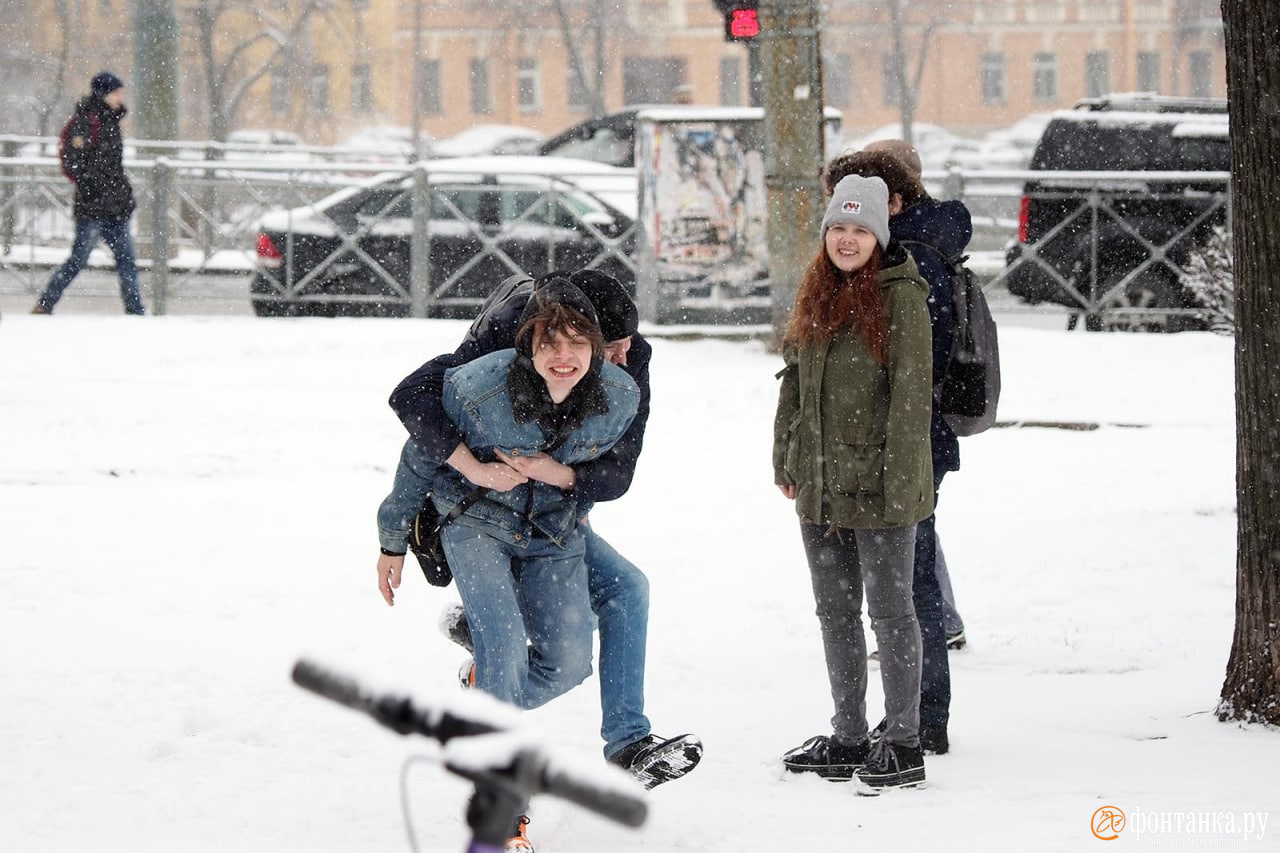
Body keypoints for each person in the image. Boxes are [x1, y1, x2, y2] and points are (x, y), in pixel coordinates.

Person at [385, 269, 703, 789]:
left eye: (624, 348)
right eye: (612, 349)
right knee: (505, 649)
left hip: (552, 518)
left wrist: (562, 474)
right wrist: (470, 472)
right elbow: (420, 406)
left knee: (624, 592)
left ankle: (627, 743)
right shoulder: (509, 337)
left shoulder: (628, 361)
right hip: (480, 513)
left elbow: (619, 470)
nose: (622, 362)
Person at [774, 175, 935, 791]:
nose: (847, 239)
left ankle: (903, 742)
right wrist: (785, 454)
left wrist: (894, 484)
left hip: (882, 485)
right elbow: (793, 381)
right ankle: (848, 737)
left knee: (892, 614)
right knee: (834, 612)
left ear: (879, 235)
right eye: (838, 228)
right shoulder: (817, 292)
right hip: (819, 482)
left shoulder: (901, 297)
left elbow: (911, 398)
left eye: (860, 229)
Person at [822, 145, 975, 753]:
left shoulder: (911, 263)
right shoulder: (913, 248)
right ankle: (914, 716)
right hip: (896, 446)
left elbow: (911, 370)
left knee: (908, 587)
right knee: (908, 581)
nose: (848, 224)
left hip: (905, 449)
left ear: (896, 202)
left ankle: (922, 721)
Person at [33, 71, 144, 316]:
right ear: (103, 94)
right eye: (116, 92)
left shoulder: (110, 122)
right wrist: (91, 184)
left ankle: (136, 312)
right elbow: (70, 160)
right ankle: (45, 303)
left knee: (126, 262)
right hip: (93, 207)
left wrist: (121, 192)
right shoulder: (86, 122)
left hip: (116, 205)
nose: (120, 97)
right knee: (78, 260)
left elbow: (113, 166)